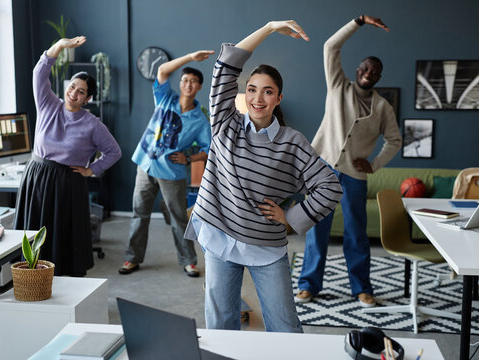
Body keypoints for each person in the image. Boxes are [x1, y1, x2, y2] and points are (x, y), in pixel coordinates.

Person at [185, 20, 343, 332]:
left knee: (284, 327)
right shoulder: (225, 123)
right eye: (252, 90)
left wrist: (291, 217)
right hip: (218, 236)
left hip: (265, 245)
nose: (258, 99)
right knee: (220, 325)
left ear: (278, 98)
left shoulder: (292, 141)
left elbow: (330, 186)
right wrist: (269, 28)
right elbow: (225, 67)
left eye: (267, 92)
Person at [297, 15, 402, 307]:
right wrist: (358, 22)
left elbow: (395, 140)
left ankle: (361, 288)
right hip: (322, 169)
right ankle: (308, 286)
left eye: (375, 71)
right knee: (317, 231)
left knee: (356, 234)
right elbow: (331, 46)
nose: (370, 72)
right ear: (358, 70)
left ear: (379, 77)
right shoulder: (338, 86)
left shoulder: (382, 107)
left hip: (354, 177)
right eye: (366, 67)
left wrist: (376, 163)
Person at [15, 36, 122, 277]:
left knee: (63, 240)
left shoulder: (93, 124)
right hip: (38, 177)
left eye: (81, 91)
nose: (73, 93)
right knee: (34, 237)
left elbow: (114, 152)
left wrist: (91, 169)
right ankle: (32, 281)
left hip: (68, 183)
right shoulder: (48, 104)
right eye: (72, 86)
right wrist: (60, 46)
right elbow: (39, 72)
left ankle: (63, 287)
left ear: (88, 99)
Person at [119, 50, 213, 277]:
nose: (188, 84)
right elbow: (162, 70)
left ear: (199, 87)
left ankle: (189, 260)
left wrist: (189, 158)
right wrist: (190, 57)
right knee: (139, 213)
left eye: (193, 82)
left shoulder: (200, 120)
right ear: (180, 83)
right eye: (185, 80)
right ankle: (132, 258)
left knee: (179, 217)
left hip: (172, 172)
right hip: (145, 163)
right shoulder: (165, 98)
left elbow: (209, 150)